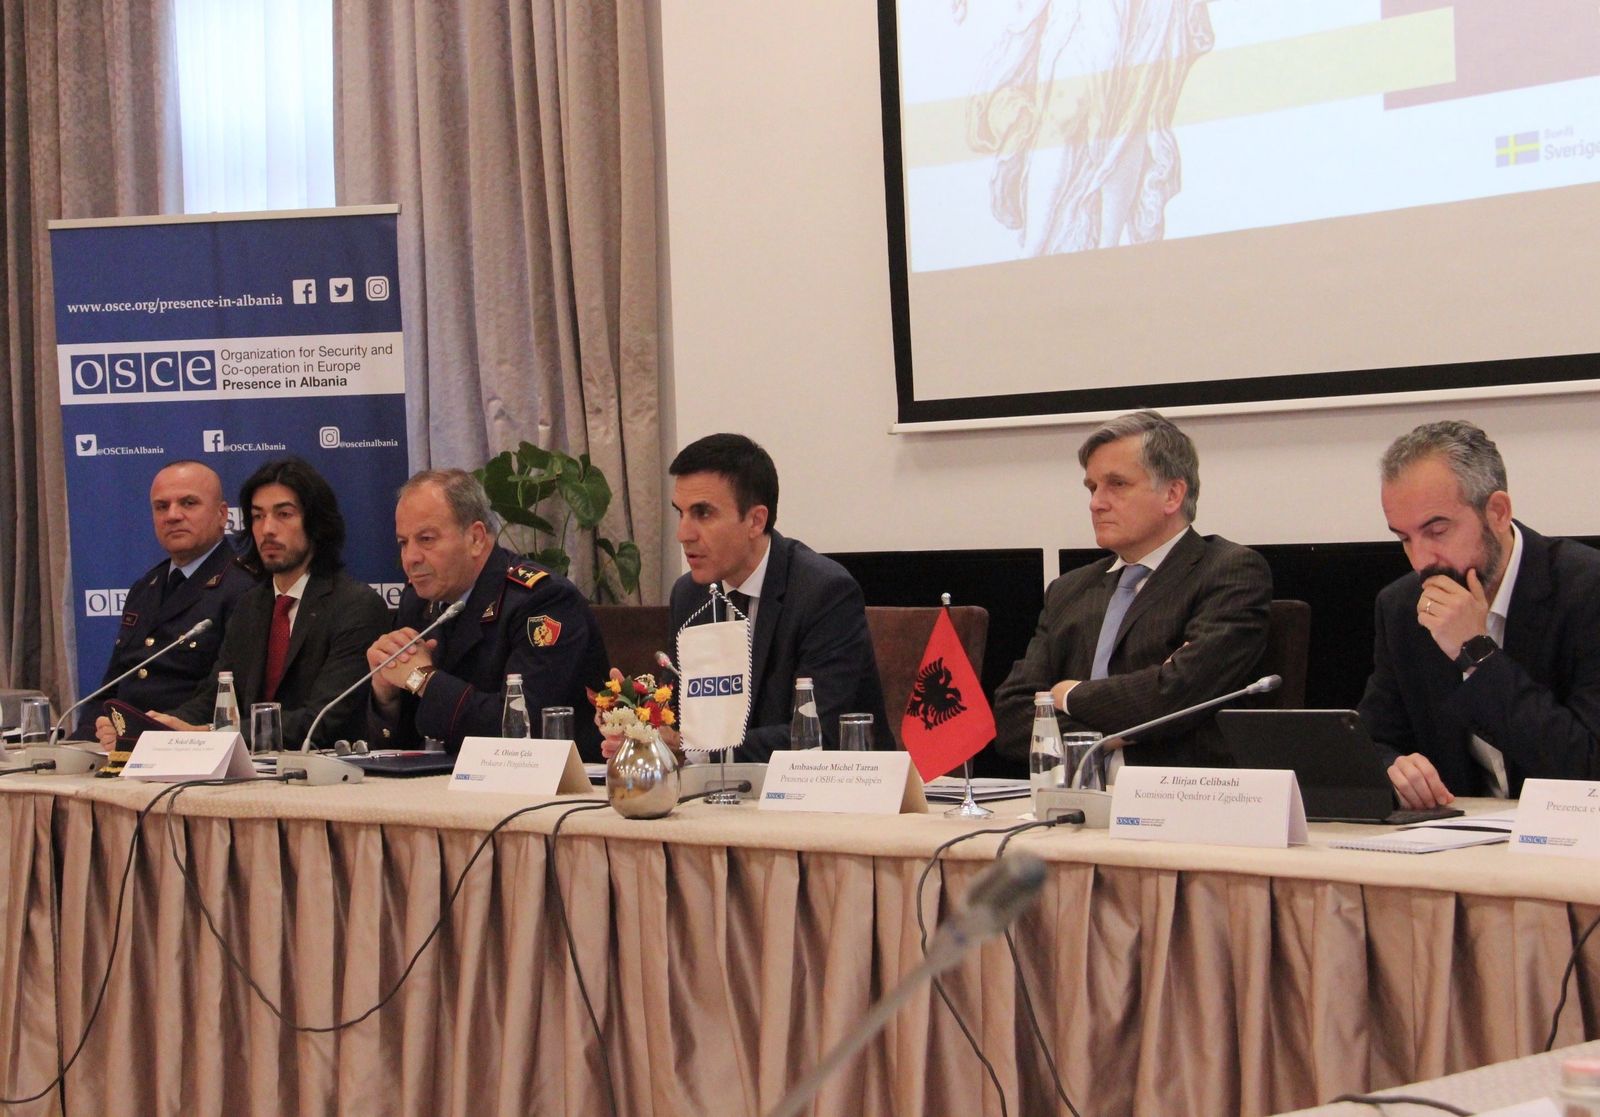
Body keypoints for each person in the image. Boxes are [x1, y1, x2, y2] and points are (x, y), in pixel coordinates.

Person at [994, 410, 1272, 768]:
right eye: (1092, 487)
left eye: (1117, 484)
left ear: (1172, 494)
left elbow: (1173, 697)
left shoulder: (1229, 572)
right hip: (1071, 794)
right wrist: (1104, 739)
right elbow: (1013, 719)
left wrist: (1068, 694)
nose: (1096, 502)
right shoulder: (1069, 589)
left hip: (1173, 794)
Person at [1359, 420, 1600, 807]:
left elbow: (1587, 767)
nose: (1420, 560)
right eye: (1404, 538)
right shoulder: (1402, 607)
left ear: (1498, 512)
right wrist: (1392, 770)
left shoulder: (1587, 590)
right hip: (1461, 836)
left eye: (1437, 531)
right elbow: (1374, 741)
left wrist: (1476, 652)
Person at [96, 458, 389, 750]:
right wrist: (158, 728)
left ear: (315, 523)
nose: (268, 529)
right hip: (251, 767)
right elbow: (214, 695)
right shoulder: (252, 604)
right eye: (258, 516)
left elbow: (322, 720)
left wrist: (210, 734)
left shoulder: (356, 606)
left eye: (284, 514)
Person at [666, 433, 889, 762]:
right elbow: (679, 717)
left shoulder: (824, 593)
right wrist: (637, 720)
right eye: (681, 513)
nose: (683, 534)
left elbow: (816, 734)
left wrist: (696, 750)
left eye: (703, 513)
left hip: (827, 787)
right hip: (719, 788)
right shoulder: (689, 595)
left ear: (756, 521)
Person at [366, 468, 608, 757]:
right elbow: (404, 744)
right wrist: (387, 695)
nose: (410, 558)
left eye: (426, 539)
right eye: (403, 543)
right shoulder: (417, 602)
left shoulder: (543, 602)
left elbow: (521, 731)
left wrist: (423, 679)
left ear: (476, 538)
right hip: (442, 779)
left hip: (543, 780)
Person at [74, 461, 257, 736]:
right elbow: (112, 686)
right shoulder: (145, 588)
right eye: (161, 506)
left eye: (188, 503)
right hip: (126, 743)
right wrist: (86, 736)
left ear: (222, 514)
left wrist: (142, 732)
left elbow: (224, 694)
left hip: (183, 743)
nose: (172, 515)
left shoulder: (245, 588)